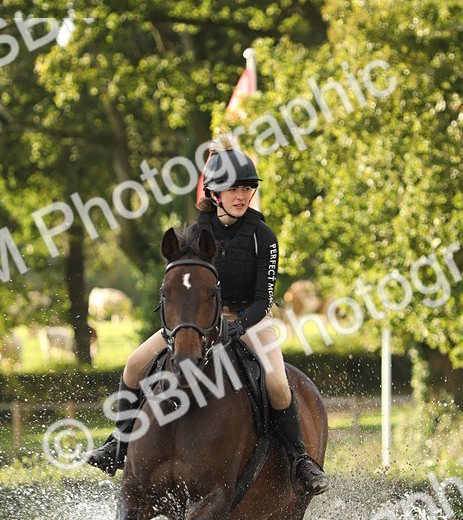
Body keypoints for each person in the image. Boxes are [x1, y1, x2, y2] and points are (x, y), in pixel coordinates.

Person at [85, 136, 329, 495]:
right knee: (134, 365)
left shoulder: (264, 237)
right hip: (198, 322)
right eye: (233, 189)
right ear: (215, 194)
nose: (242, 196)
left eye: (247, 188)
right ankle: (119, 445)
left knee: (278, 385)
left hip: (251, 319)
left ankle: (299, 462)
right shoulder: (197, 232)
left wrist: (237, 325)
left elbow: (264, 300)